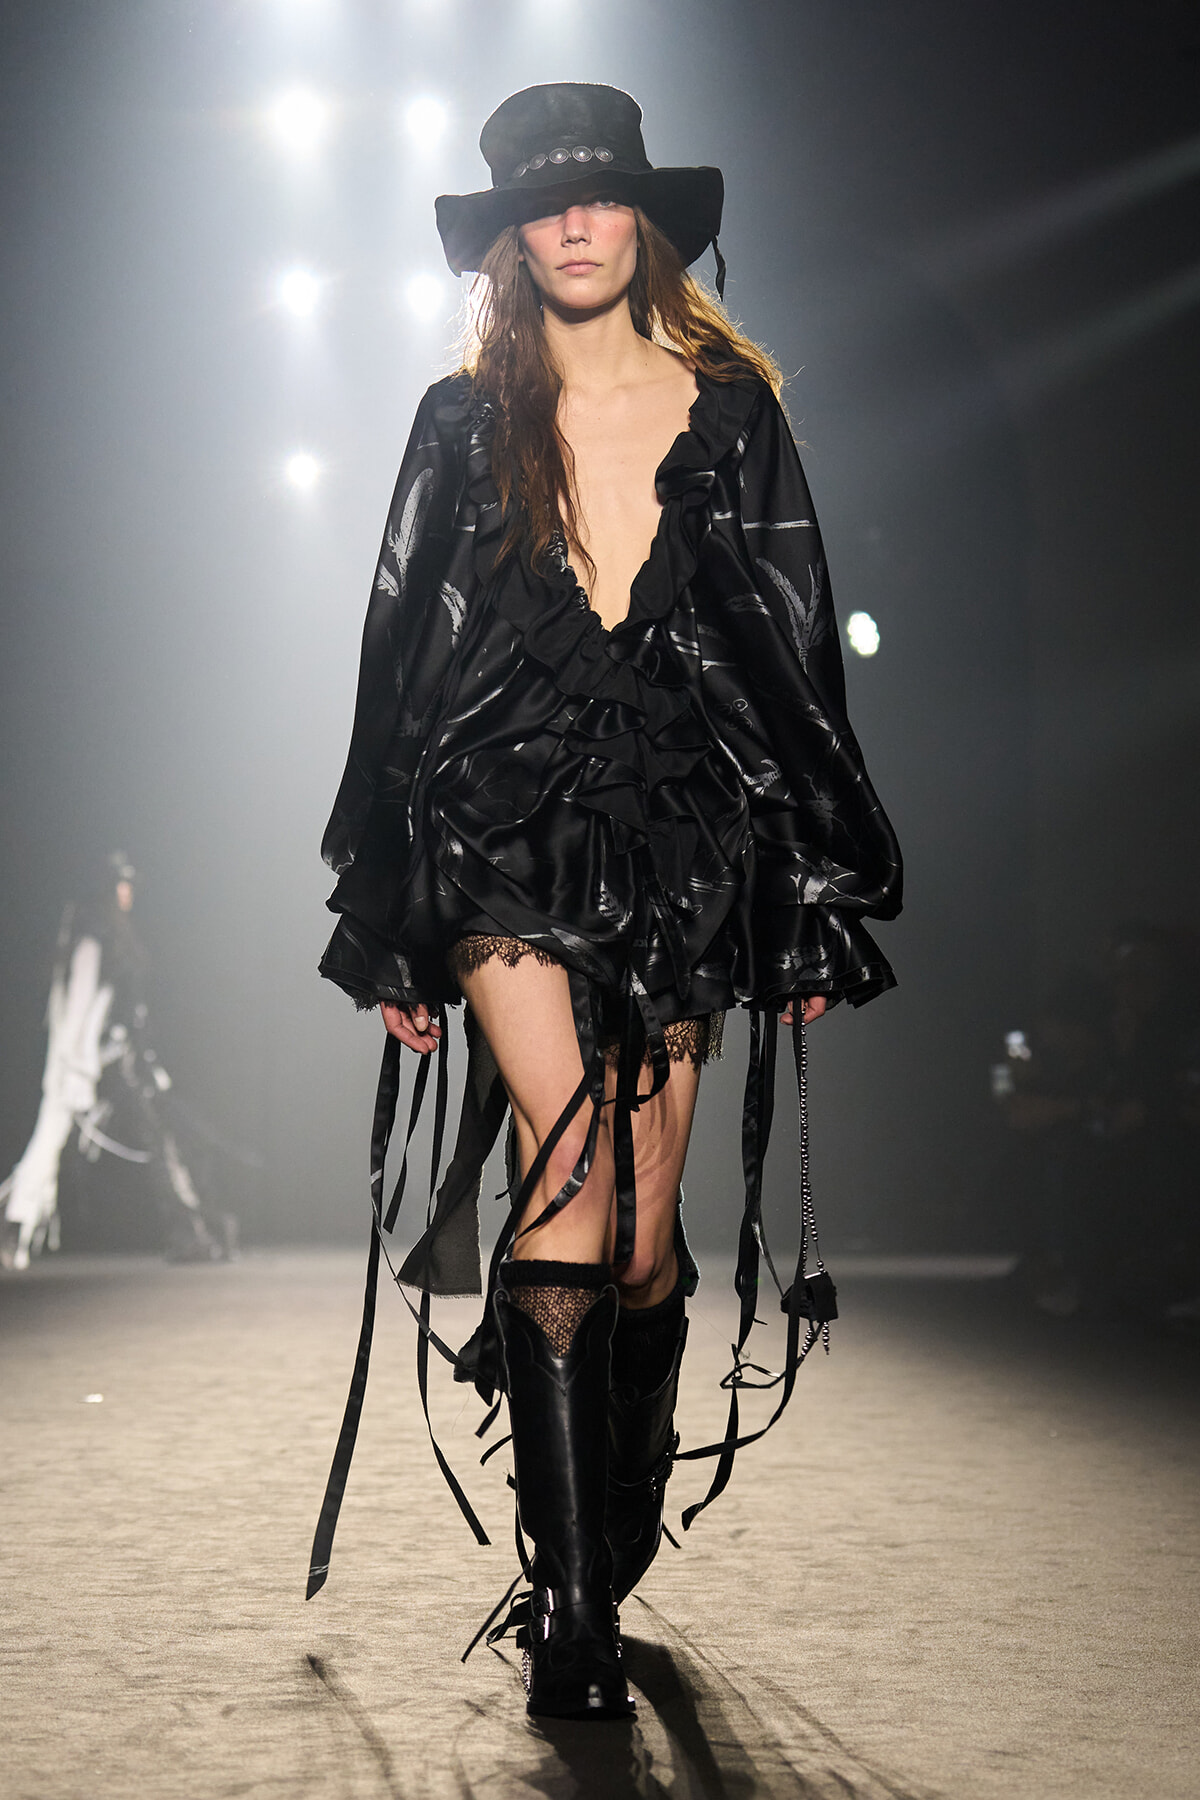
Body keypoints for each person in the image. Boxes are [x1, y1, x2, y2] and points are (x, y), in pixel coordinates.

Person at [310, 83, 902, 1721]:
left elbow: (792, 651)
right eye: (543, 201)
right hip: (500, 819)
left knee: (640, 1226)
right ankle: (570, 1601)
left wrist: (821, 878)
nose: (573, 223)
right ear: (508, 232)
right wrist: (387, 899)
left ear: (645, 215)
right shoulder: (459, 418)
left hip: (688, 829)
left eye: (601, 194)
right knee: (563, 1169)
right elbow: (398, 661)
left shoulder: (733, 411)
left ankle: (616, 1511)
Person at [0, 855, 236, 1269]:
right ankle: (16, 1225)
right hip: (88, 1064)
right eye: (120, 885)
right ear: (105, 891)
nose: (128, 892)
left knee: (146, 1136)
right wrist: (75, 1068)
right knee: (53, 1142)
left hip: (112, 1060)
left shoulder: (108, 938)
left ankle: (193, 1233)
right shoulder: (92, 940)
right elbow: (75, 1011)